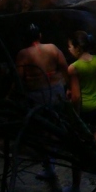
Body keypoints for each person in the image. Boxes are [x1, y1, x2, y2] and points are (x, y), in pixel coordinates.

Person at [14, 23, 67, 181]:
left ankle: (49, 167)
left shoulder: (23, 54)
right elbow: (65, 68)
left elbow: (19, 78)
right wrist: (69, 87)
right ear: (40, 36)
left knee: (42, 130)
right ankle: (64, 155)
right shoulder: (52, 48)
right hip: (57, 90)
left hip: (37, 95)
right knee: (59, 124)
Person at [65, 31, 96, 192]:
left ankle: (76, 187)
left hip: (86, 111)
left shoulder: (73, 68)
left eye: (70, 46)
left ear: (78, 48)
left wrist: (76, 116)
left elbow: (77, 96)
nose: (68, 49)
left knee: (77, 149)